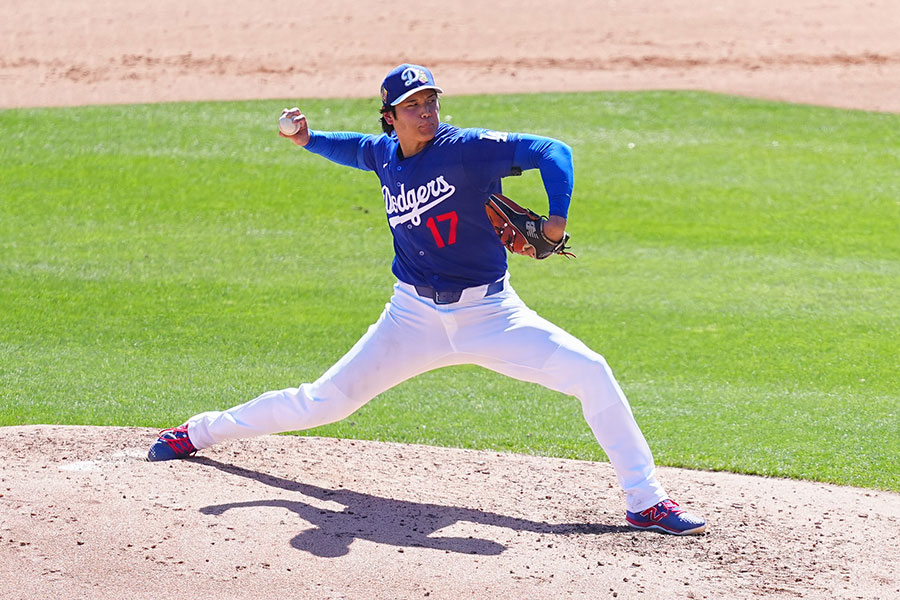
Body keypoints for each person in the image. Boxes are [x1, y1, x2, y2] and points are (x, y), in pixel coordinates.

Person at [148, 64, 706, 536]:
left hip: (491, 314)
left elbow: (551, 150)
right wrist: (306, 140)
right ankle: (198, 432)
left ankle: (645, 500)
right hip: (410, 318)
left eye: (431, 101)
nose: (426, 112)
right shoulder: (386, 154)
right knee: (322, 402)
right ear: (391, 116)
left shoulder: (465, 151)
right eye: (412, 105)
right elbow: (356, 150)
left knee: (592, 371)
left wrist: (557, 216)